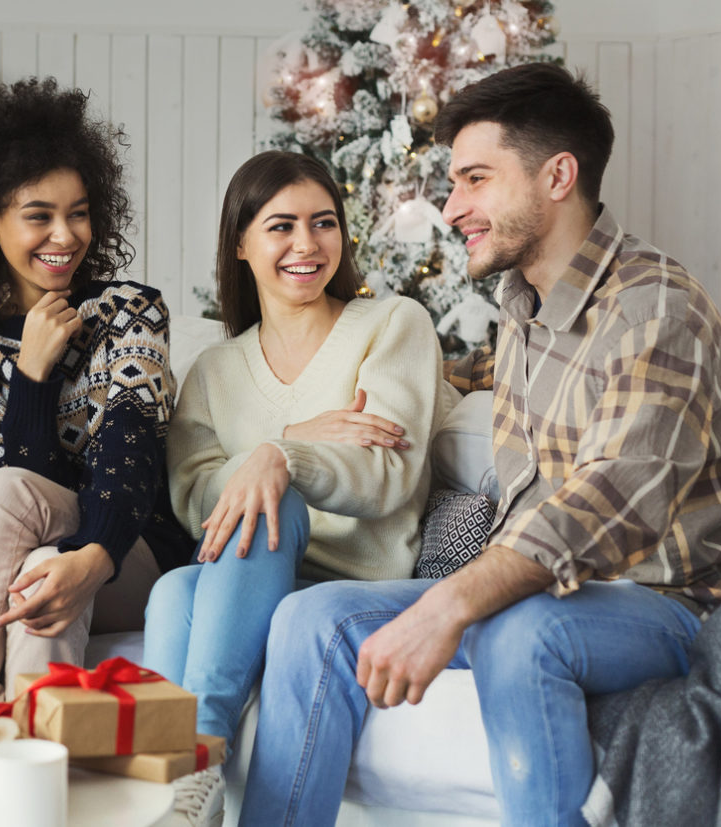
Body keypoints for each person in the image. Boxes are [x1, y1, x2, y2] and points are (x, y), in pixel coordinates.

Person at [240, 63, 721, 827]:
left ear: (557, 175)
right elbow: (523, 497)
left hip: (673, 604)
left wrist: (450, 602)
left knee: (521, 634)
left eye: (475, 179)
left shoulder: (656, 309)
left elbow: (608, 498)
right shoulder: (521, 308)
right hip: (555, 591)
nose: (453, 206)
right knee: (310, 619)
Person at [143, 150, 455, 825]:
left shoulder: (392, 324)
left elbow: (388, 475)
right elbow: (195, 499)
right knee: (173, 586)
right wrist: (287, 439)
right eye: (281, 226)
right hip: (252, 575)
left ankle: (196, 757)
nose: (307, 244)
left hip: (355, 581)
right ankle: (170, 788)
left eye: (324, 223)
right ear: (241, 244)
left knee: (271, 493)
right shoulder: (214, 369)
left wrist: (281, 455)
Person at [0, 77, 192, 715]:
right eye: (39, 216)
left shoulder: (128, 312)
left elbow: (133, 449)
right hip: (34, 552)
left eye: (78, 213)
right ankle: (30, 774)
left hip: (133, 550)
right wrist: (32, 376)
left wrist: (93, 555)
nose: (65, 236)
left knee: (46, 554)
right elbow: (16, 501)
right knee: (33, 550)